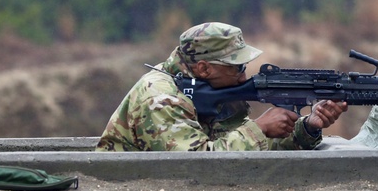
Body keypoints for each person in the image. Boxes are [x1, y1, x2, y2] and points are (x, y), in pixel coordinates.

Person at [96, 22, 347, 152]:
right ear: (204, 68)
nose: (242, 76)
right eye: (235, 67)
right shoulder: (161, 97)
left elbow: (246, 147)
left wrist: (308, 128)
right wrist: (259, 128)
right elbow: (195, 162)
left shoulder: (212, 87)